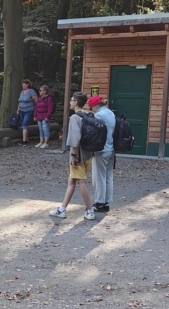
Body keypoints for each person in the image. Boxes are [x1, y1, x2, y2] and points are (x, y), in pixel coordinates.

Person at [49, 93, 96, 221]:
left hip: (79, 155)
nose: (70, 102)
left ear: (76, 102)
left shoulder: (75, 118)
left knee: (82, 182)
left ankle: (90, 210)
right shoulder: (89, 115)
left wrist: (73, 156)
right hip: (88, 154)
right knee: (72, 180)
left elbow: (75, 139)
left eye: (71, 100)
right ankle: (62, 209)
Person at [87, 95, 116, 212]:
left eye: (91, 107)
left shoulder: (99, 115)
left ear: (96, 106)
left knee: (99, 177)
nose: (91, 110)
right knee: (108, 176)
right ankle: (106, 202)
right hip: (111, 149)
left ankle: (99, 202)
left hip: (101, 150)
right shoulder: (110, 113)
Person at [17, 80, 39, 145]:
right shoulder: (22, 92)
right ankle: (26, 139)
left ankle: (24, 141)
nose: (23, 86)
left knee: (24, 123)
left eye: (24, 84)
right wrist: (18, 109)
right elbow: (20, 101)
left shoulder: (31, 91)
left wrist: (35, 108)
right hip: (21, 110)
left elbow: (36, 100)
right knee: (24, 125)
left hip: (28, 110)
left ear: (27, 85)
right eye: (22, 84)